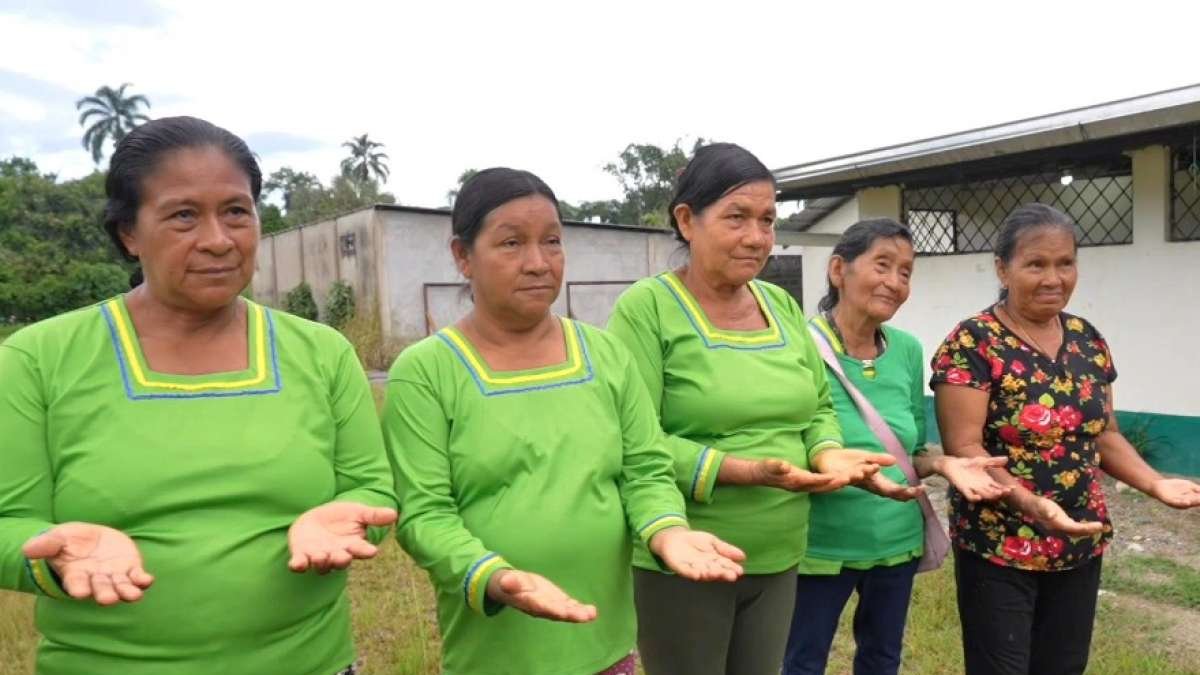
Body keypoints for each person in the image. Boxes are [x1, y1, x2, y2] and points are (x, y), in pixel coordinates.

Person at [0, 116, 398, 675]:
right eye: (183, 215)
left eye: (236, 211)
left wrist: (344, 516)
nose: (217, 239)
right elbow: (6, 520)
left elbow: (371, 486)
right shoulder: (39, 358)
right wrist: (54, 553)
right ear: (129, 233)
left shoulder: (322, 352)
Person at [383, 167, 745, 675]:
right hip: (496, 655)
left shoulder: (605, 354)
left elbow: (647, 469)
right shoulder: (426, 373)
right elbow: (424, 514)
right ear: (463, 256)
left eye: (552, 241)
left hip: (605, 642)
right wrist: (491, 576)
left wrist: (666, 530)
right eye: (511, 243)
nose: (537, 262)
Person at [606, 143, 898, 675]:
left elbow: (816, 407)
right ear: (687, 220)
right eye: (737, 217)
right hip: (688, 557)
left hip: (783, 555)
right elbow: (633, 440)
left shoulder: (780, 304)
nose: (757, 237)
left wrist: (828, 454)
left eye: (767, 219)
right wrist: (744, 472)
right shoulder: (646, 309)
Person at [931, 203, 1200, 675]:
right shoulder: (974, 341)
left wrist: (1155, 484)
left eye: (1065, 263)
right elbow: (965, 449)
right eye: (1036, 264)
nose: (1053, 277)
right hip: (1000, 544)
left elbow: (1105, 434)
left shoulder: (1086, 339)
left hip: (1080, 539)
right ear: (1003, 268)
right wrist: (1032, 505)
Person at [783, 218, 1011, 675]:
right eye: (882, 265)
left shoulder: (906, 349)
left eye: (905, 272)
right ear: (837, 269)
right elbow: (786, 440)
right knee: (803, 663)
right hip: (820, 545)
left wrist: (942, 462)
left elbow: (911, 451)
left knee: (882, 659)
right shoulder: (796, 345)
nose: (894, 282)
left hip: (895, 542)